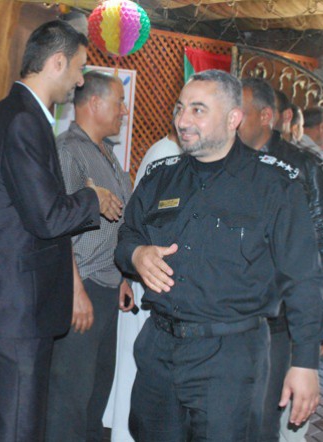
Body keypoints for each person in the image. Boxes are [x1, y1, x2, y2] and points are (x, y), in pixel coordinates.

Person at [115, 70, 323, 441]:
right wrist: (136, 254)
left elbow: (304, 278)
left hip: (230, 356)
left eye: (198, 110)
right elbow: (127, 236)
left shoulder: (274, 185)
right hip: (159, 348)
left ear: (233, 118)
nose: (182, 121)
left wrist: (305, 362)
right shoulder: (161, 177)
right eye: (179, 108)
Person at [0, 21, 122, 442]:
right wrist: (92, 198)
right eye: (78, 67)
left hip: (5, 304)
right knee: (16, 428)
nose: (80, 80)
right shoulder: (23, 120)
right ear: (56, 62)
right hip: (14, 308)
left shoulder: (15, 113)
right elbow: (47, 217)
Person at [239, 78, 323, 442]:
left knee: (263, 418)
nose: (232, 119)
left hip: (279, 317)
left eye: (241, 112)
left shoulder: (302, 166)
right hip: (228, 315)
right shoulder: (222, 160)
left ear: (265, 116)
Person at [46, 71, 134, 442]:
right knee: (69, 396)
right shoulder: (69, 151)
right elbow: (58, 226)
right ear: (94, 104)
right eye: (119, 102)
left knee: (96, 393)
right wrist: (75, 290)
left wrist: (124, 276)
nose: (125, 111)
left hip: (106, 289)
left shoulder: (106, 153)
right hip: (82, 287)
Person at [103, 125, 182, 442]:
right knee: (137, 373)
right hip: (147, 278)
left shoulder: (173, 155)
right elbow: (139, 226)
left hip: (150, 279)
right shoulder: (166, 156)